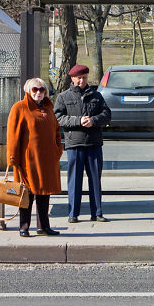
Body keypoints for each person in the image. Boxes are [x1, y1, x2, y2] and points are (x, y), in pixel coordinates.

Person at [54, 64, 112, 223]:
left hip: (93, 144)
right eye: (79, 78)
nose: (82, 80)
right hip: (75, 144)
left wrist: (93, 120)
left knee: (95, 180)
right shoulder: (63, 97)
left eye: (84, 77)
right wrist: (78, 120)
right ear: (72, 78)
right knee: (74, 181)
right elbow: (58, 118)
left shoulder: (97, 96)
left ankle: (97, 212)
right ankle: (73, 213)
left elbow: (107, 115)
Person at [7, 77, 64, 237]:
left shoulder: (48, 109)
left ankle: (43, 227)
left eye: (42, 90)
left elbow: (56, 133)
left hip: (47, 160)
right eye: (35, 89)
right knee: (27, 194)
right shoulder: (20, 108)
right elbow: (13, 135)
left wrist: (57, 150)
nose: (38, 93)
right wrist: (12, 158)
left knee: (44, 194)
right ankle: (24, 227)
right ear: (28, 91)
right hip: (27, 161)